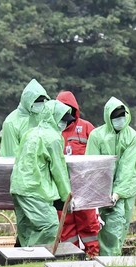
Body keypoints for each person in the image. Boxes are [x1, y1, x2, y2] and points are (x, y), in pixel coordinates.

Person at [86, 97, 136, 256]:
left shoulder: (132, 136)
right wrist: (96, 194)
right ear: (108, 118)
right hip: (99, 192)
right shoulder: (97, 135)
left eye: (122, 115)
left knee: (117, 227)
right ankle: (103, 261)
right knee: (97, 228)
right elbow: (92, 165)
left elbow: (128, 168)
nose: (119, 120)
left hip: (123, 191)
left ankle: (111, 261)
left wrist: (116, 194)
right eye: (115, 117)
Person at [10, 100, 72, 246]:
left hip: (18, 187)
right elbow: (59, 170)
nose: (64, 124)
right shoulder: (53, 138)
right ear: (52, 117)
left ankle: (23, 262)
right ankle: (37, 258)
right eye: (62, 120)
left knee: (27, 229)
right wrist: (67, 196)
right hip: (35, 189)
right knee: (50, 226)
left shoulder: (30, 133)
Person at [55, 90, 99, 257]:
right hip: (61, 188)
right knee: (65, 226)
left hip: (84, 187)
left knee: (88, 223)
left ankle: (93, 257)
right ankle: (70, 258)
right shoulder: (53, 131)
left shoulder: (87, 128)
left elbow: (98, 157)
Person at [0, 79, 50, 157]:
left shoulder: (45, 116)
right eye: (36, 101)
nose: (40, 104)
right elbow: (10, 155)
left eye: (42, 101)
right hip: (22, 168)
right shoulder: (11, 122)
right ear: (27, 101)